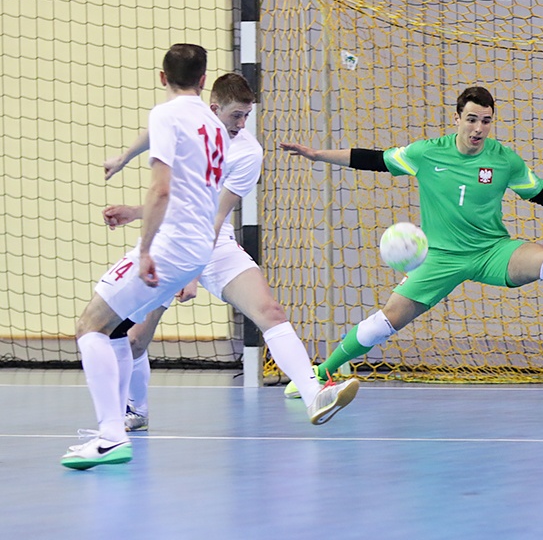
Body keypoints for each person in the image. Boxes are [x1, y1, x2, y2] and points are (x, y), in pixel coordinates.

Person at [280, 86, 543, 392]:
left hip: (491, 251)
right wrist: (317, 155)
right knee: (383, 324)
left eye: (486, 121)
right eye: (472, 119)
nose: (478, 129)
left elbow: (542, 193)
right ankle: (321, 373)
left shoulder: (503, 159)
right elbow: (374, 159)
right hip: (439, 258)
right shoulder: (427, 153)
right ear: (457, 117)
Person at [102, 73, 359, 430]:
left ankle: (314, 392)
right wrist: (127, 167)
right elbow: (169, 176)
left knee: (269, 309)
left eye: (246, 115)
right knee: (135, 338)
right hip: (169, 241)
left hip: (213, 242)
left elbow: (213, 216)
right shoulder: (188, 124)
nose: (241, 123)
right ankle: (134, 410)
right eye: (236, 115)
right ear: (214, 108)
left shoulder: (249, 152)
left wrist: (191, 273)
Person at [61, 44, 232, 469]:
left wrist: (143, 249)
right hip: (198, 246)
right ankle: (117, 425)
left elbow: (161, 189)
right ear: (203, 80)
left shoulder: (166, 113)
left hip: (171, 244)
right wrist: (124, 157)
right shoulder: (212, 122)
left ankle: (110, 436)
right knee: (117, 329)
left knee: (90, 326)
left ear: (162, 77)